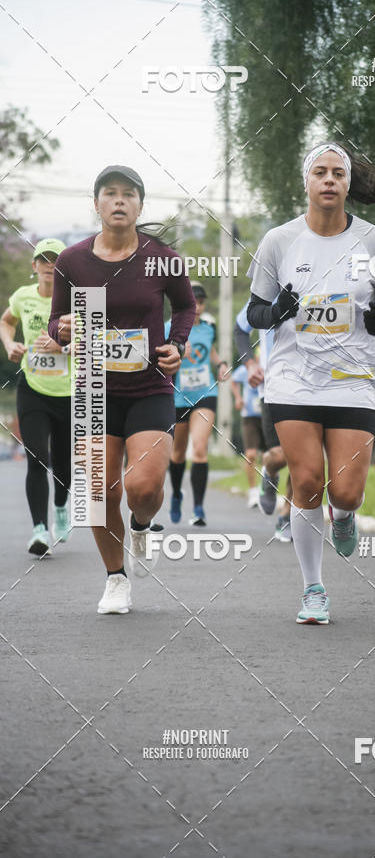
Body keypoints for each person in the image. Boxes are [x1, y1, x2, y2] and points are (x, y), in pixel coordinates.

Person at [246, 142, 375, 623]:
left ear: (348, 183)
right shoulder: (279, 241)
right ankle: (312, 588)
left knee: (346, 492)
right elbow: (256, 311)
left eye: (339, 173)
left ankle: (346, 515)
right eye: (321, 172)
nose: (330, 180)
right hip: (294, 378)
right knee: (309, 482)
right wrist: (277, 312)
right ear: (307, 181)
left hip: (354, 377)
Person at [48, 165, 195, 614]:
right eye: (109, 194)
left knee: (144, 487)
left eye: (127, 194)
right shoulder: (71, 261)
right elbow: (55, 323)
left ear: (139, 205)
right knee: (98, 491)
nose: (118, 201)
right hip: (94, 387)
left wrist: (177, 344)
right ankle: (116, 579)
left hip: (150, 385)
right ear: (96, 204)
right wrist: (64, 329)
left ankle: (142, 522)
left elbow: (185, 305)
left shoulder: (161, 257)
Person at [0, 238, 71, 556]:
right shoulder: (22, 297)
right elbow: (6, 322)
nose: (49, 265)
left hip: (69, 393)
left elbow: (95, 342)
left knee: (64, 464)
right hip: (33, 389)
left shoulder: (76, 301)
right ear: (34, 266)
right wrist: (9, 344)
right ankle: (40, 530)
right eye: (43, 260)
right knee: (37, 457)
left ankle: (59, 507)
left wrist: (63, 347)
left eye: (55, 260)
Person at [166, 282, 227, 526]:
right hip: (177, 395)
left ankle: (199, 508)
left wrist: (221, 364)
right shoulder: (169, 328)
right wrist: (177, 351)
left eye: (201, 302)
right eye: (193, 302)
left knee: (199, 448)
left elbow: (210, 352)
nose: (197, 307)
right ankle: (177, 493)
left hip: (205, 393)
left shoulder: (209, 328)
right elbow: (158, 357)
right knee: (178, 452)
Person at [234, 300, 294, 542]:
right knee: (280, 455)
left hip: (313, 389)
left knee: (306, 461)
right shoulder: (265, 290)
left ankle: (286, 514)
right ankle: (270, 471)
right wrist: (249, 364)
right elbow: (240, 329)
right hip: (273, 389)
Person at [231, 360, 265, 509]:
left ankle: (265, 489)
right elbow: (233, 380)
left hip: (268, 414)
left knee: (268, 456)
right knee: (250, 455)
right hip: (249, 416)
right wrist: (238, 398)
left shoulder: (271, 365)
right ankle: (253, 491)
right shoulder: (246, 368)